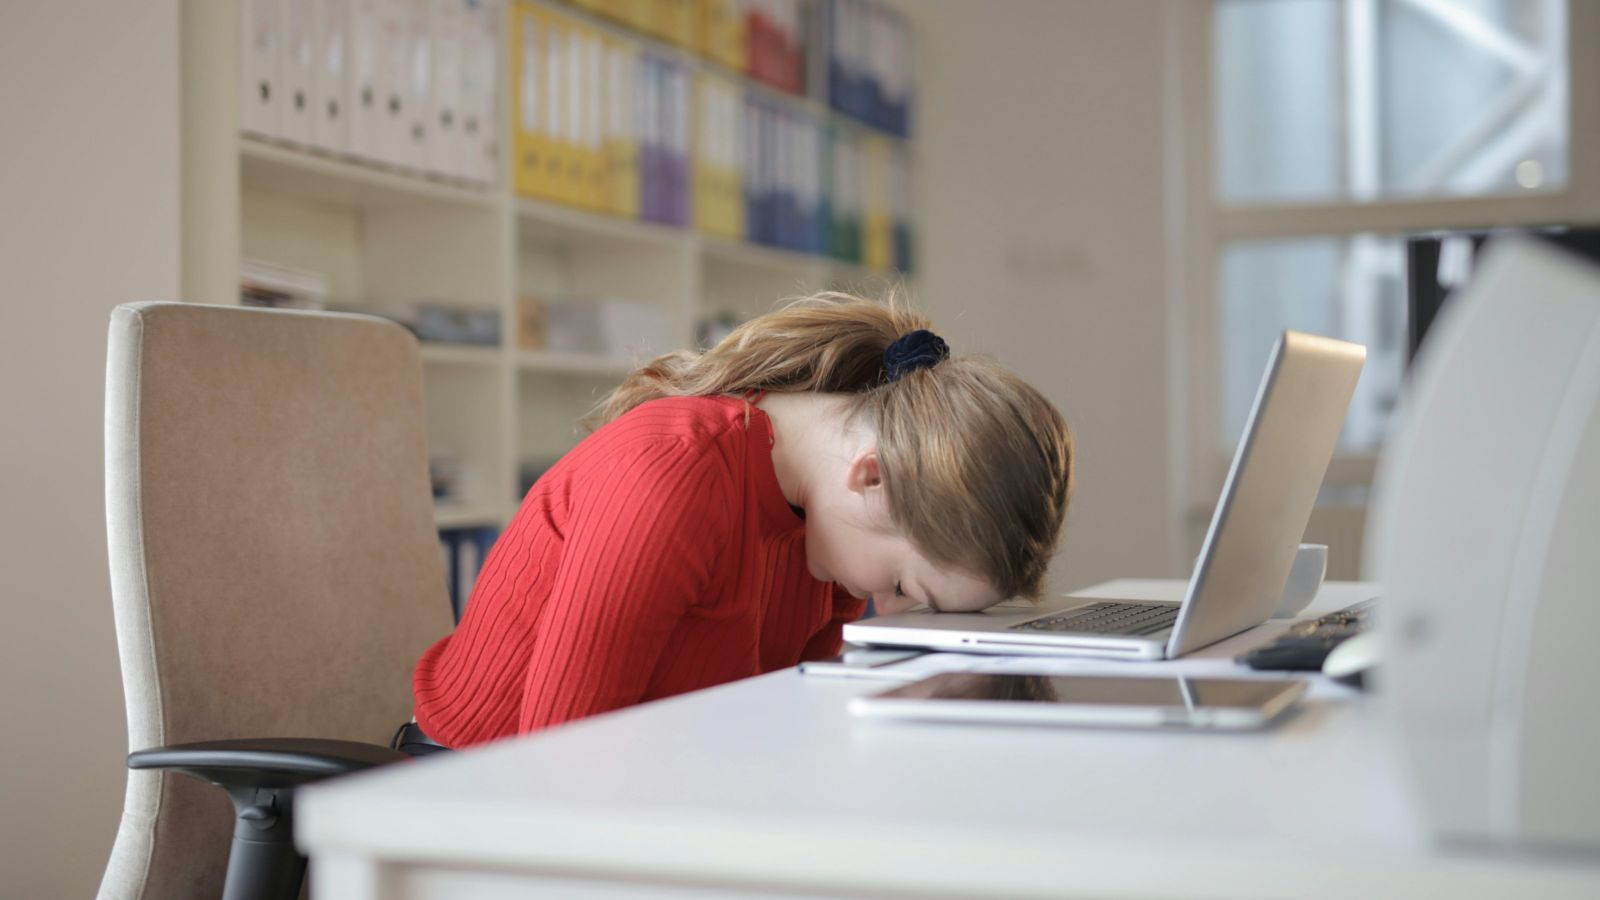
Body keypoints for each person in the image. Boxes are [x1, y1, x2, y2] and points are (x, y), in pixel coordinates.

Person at [409, 290, 1075, 748]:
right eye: (907, 589)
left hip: (652, 781)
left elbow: (783, 726)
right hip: (473, 794)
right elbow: (560, 765)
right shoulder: (673, 474)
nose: (890, 612)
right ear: (871, 476)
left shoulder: (828, 528)